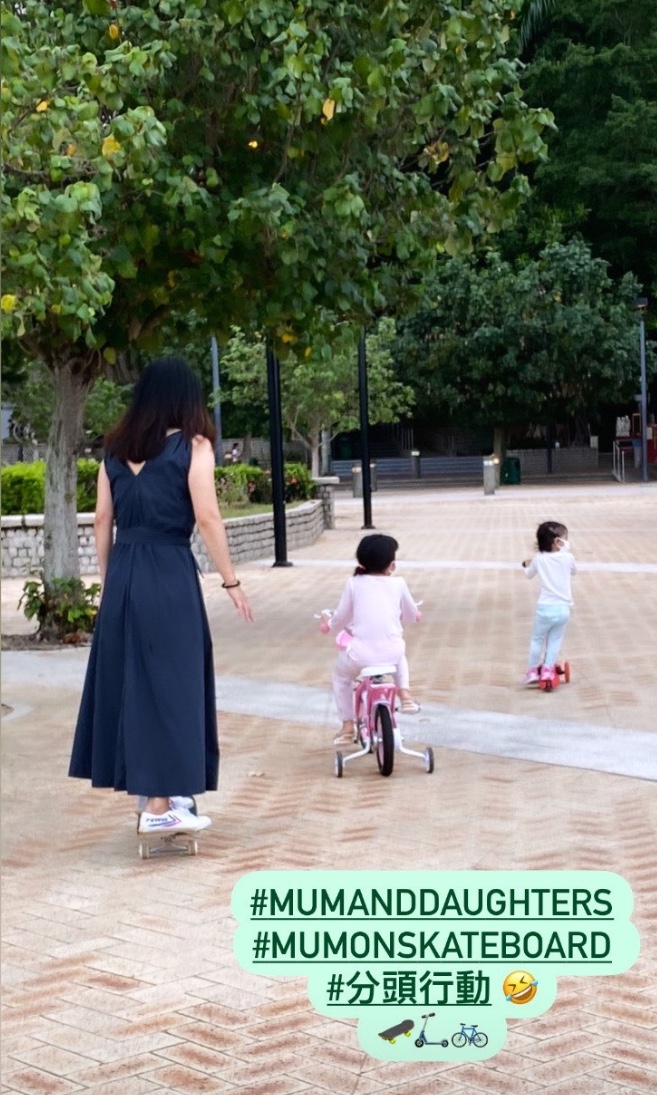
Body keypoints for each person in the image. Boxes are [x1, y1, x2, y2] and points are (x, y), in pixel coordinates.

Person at [69, 357, 253, 837]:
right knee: (173, 684)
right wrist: (231, 581)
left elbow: (101, 520)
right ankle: (160, 803)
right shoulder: (194, 447)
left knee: (133, 683)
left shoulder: (113, 450)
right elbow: (209, 518)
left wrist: (110, 582)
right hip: (169, 569)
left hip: (126, 568)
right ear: (185, 397)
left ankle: (161, 795)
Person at [321, 534, 422, 746]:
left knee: (341, 677)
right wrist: (413, 615)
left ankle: (348, 725)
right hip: (392, 653)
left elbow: (341, 618)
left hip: (360, 654)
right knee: (399, 653)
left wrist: (328, 623)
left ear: (361, 563)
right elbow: (412, 615)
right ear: (392, 565)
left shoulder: (353, 584)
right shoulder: (399, 584)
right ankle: (404, 694)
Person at [522, 520, 575, 685]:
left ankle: (532, 671)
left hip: (544, 608)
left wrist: (525, 566)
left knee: (537, 638)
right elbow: (573, 571)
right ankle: (547, 668)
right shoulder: (568, 557)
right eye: (564, 539)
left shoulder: (539, 558)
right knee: (554, 640)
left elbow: (529, 574)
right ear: (557, 542)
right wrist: (565, 553)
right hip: (562, 609)